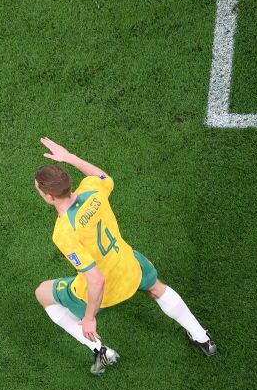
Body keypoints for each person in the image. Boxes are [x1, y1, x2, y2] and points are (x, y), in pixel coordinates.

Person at [34, 137, 217, 376]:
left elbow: (96, 279)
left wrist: (89, 318)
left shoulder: (64, 232)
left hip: (105, 288)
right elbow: (103, 177)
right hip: (129, 264)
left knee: (43, 293)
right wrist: (69, 157)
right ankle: (203, 338)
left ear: (49, 196)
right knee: (156, 288)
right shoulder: (92, 191)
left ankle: (100, 350)